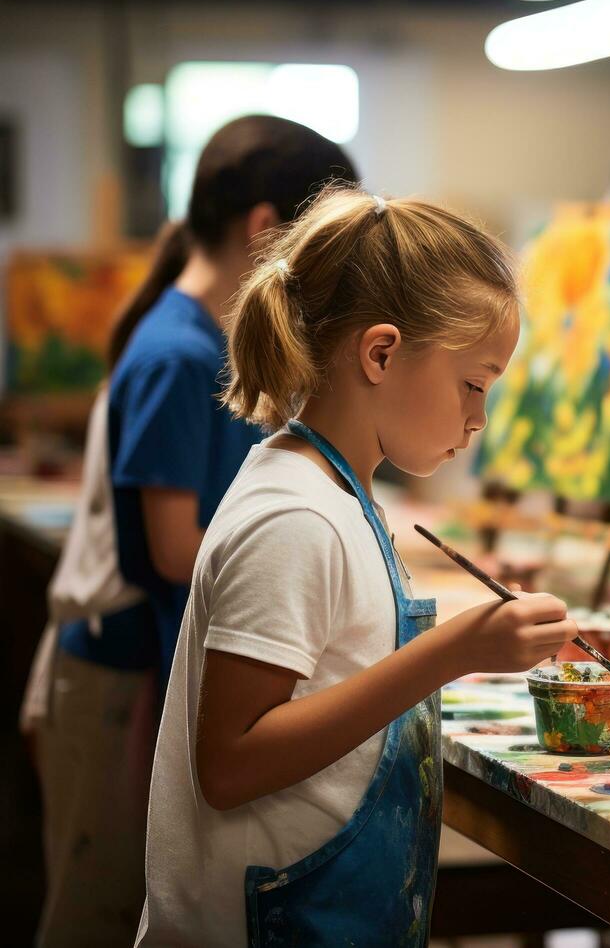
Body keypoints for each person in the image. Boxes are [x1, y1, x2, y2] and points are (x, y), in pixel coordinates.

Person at [137, 188, 577, 946]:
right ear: (380, 353)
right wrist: (456, 651)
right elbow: (231, 762)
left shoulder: (339, 491)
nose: (478, 419)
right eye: (473, 384)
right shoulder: (296, 516)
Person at [25, 114, 355, 946]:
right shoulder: (178, 353)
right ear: (263, 230)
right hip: (112, 674)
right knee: (91, 914)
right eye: (319, 243)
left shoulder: (201, 340)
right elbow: (176, 546)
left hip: (137, 663)